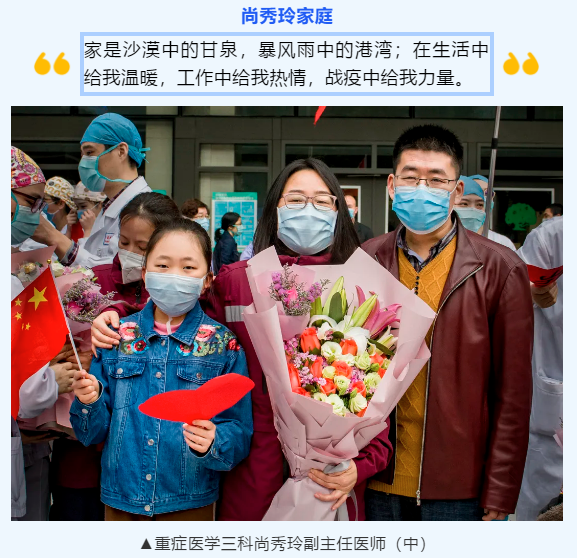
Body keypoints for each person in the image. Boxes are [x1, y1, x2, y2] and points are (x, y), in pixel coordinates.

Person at [91, 158, 393, 521]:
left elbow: (377, 384)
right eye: (296, 199)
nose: (308, 210)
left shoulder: (360, 285)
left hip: (331, 469)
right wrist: (118, 315)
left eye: (322, 201)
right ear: (275, 209)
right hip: (249, 463)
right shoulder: (236, 281)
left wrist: (363, 464)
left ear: (338, 210)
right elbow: (176, 315)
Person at [362, 124, 534, 521]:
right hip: (375, 475)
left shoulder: (500, 268)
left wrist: (501, 488)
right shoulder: (368, 258)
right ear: (392, 185)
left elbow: (513, 392)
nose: (422, 188)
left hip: (458, 483)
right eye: (410, 177)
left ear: (456, 191)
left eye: (436, 179)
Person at [70, 218, 253, 520]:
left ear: (207, 279)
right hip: (122, 498)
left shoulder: (223, 345)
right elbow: (91, 434)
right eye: (163, 266)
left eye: (188, 267)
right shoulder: (116, 338)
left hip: (189, 501)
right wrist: (89, 400)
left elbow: (239, 431)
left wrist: (214, 441)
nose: (174, 276)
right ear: (145, 274)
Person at [50, 192, 183, 522]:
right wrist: (72, 358)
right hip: (82, 447)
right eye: (124, 242)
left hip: (148, 450)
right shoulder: (90, 281)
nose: (131, 253)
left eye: (143, 246)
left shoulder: (178, 290)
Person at [11, 147, 78, 520]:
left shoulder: (20, 261)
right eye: (30, 202)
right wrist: (50, 381)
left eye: (43, 204)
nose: (36, 214)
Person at [30, 113, 151, 267]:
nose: (83, 162)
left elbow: (119, 273)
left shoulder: (145, 210)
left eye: (89, 153)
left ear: (121, 151)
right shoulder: (110, 205)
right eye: (82, 155)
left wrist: (54, 237)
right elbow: (94, 258)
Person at [515, 216, 563, 521]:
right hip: (556, 409)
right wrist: (532, 293)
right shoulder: (553, 237)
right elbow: (511, 295)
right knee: (544, 516)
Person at [454, 175, 517, 250]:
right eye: (464, 204)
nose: (473, 209)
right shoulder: (446, 240)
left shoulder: (502, 243)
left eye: (487, 193)